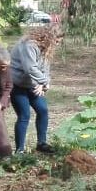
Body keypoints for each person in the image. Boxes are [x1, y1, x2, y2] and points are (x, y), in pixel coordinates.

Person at [9, 26, 61, 154]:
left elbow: (45, 68)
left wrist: (44, 84)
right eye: (57, 41)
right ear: (48, 37)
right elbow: (30, 68)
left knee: (43, 110)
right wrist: (43, 81)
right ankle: (19, 150)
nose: (58, 44)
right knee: (24, 115)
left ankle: (41, 143)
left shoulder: (46, 49)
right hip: (18, 85)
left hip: (33, 85)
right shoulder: (29, 45)